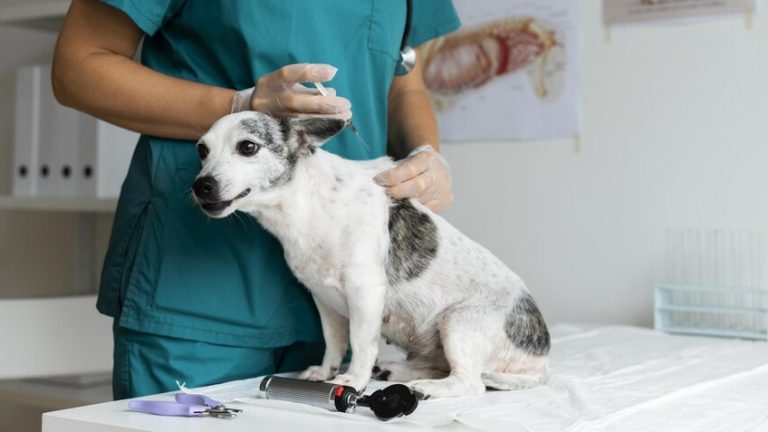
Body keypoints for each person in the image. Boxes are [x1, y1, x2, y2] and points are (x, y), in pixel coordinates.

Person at [52, 0, 460, 399]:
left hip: (343, 288)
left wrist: (427, 154)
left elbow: (402, 82)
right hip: (201, 284)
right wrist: (239, 106)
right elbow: (79, 65)